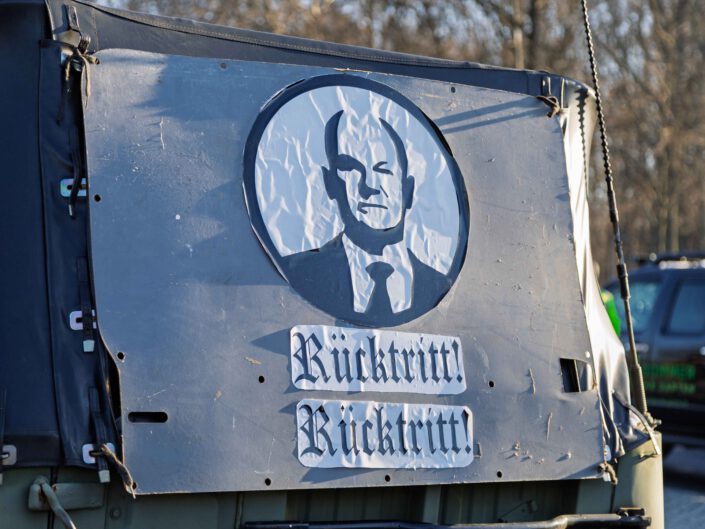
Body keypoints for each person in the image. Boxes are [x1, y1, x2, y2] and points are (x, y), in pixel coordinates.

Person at [283, 109, 451, 326]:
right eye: (351, 169)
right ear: (330, 183)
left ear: (408, 190)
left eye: (384, 171)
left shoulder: (437, 285)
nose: (369, 186)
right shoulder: (302, 274)